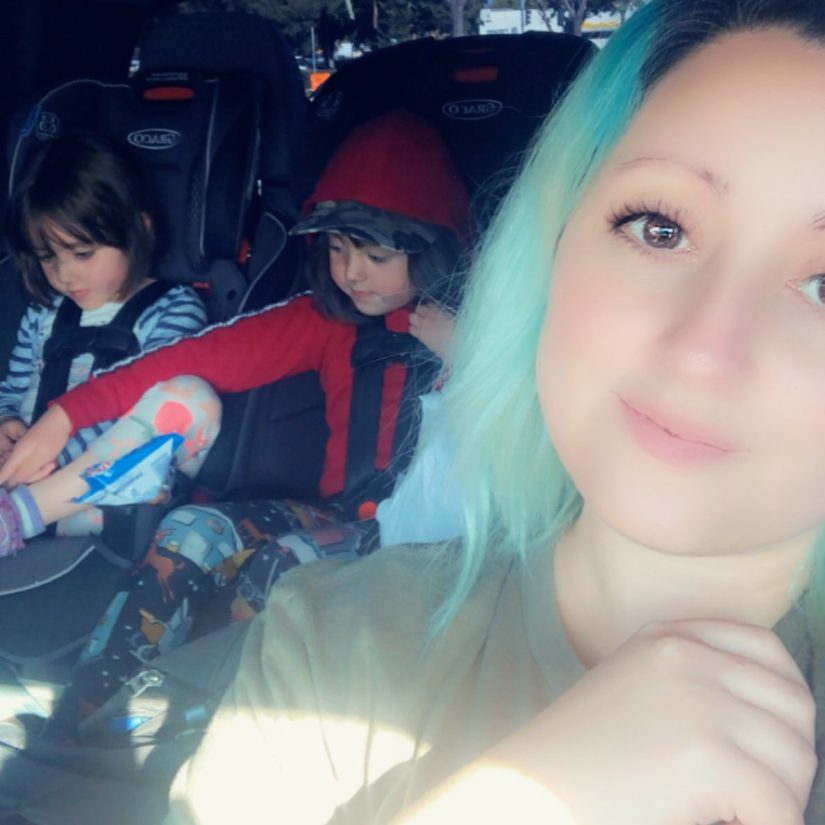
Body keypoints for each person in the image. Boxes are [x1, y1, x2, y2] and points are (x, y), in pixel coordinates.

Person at [149, 1, 825, 823]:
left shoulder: (438, 336)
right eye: (658, 227)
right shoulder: (329, 638)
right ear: (549, 246)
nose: (704, 349)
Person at [0, 108, 470, 734]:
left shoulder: (488, 322)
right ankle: (84, 716)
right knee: (193, 527)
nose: (351, 272)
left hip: (437, 540)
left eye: (376, 254)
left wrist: (472, 353)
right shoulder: (325, 319)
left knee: (284, 561)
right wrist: (63, 415)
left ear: (432, 247)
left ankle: (205, 724)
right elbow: (190, 359)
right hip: (343, 518)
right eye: (336, 248)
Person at [0, 131, 211, 547]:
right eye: (48, 257)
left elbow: (143, 416)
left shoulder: (173, 309)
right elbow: (12, 388)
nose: (65, 275)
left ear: (138, 230)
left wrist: (48, 459)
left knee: (184, 399)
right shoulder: (44, 312)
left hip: (98, 496)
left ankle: (19, 516)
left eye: (83, 254)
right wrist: (6, 425)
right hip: (20, 470)